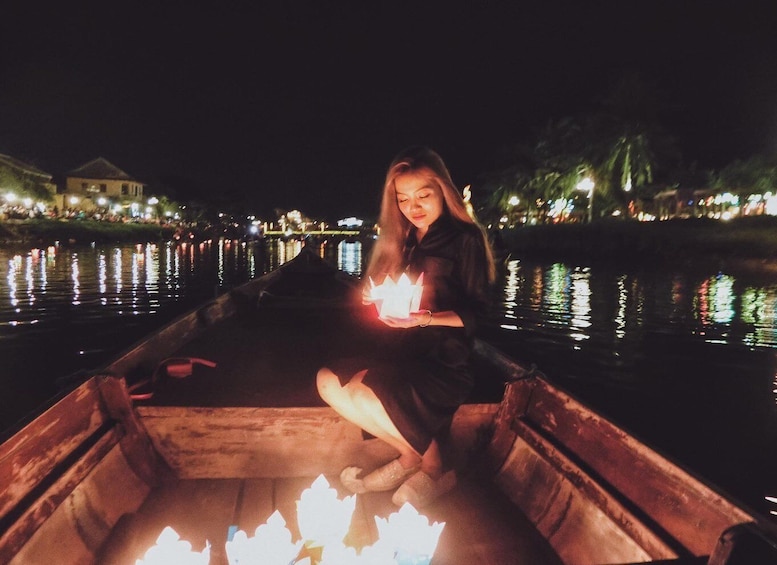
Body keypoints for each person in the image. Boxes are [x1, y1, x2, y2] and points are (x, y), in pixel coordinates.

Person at [316, 146, 496, 508]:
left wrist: (426, 318)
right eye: (403, 198)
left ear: (443, 191)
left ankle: (434, 467)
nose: (413, 207)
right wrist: (377, 297)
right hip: (401, 351)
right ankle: (413, 456)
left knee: (368, 390)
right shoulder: (406, 240)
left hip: (445, 361)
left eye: (423, 196)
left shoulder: (466, 239)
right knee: (329, 381)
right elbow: (401, 295)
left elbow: (482, 315)